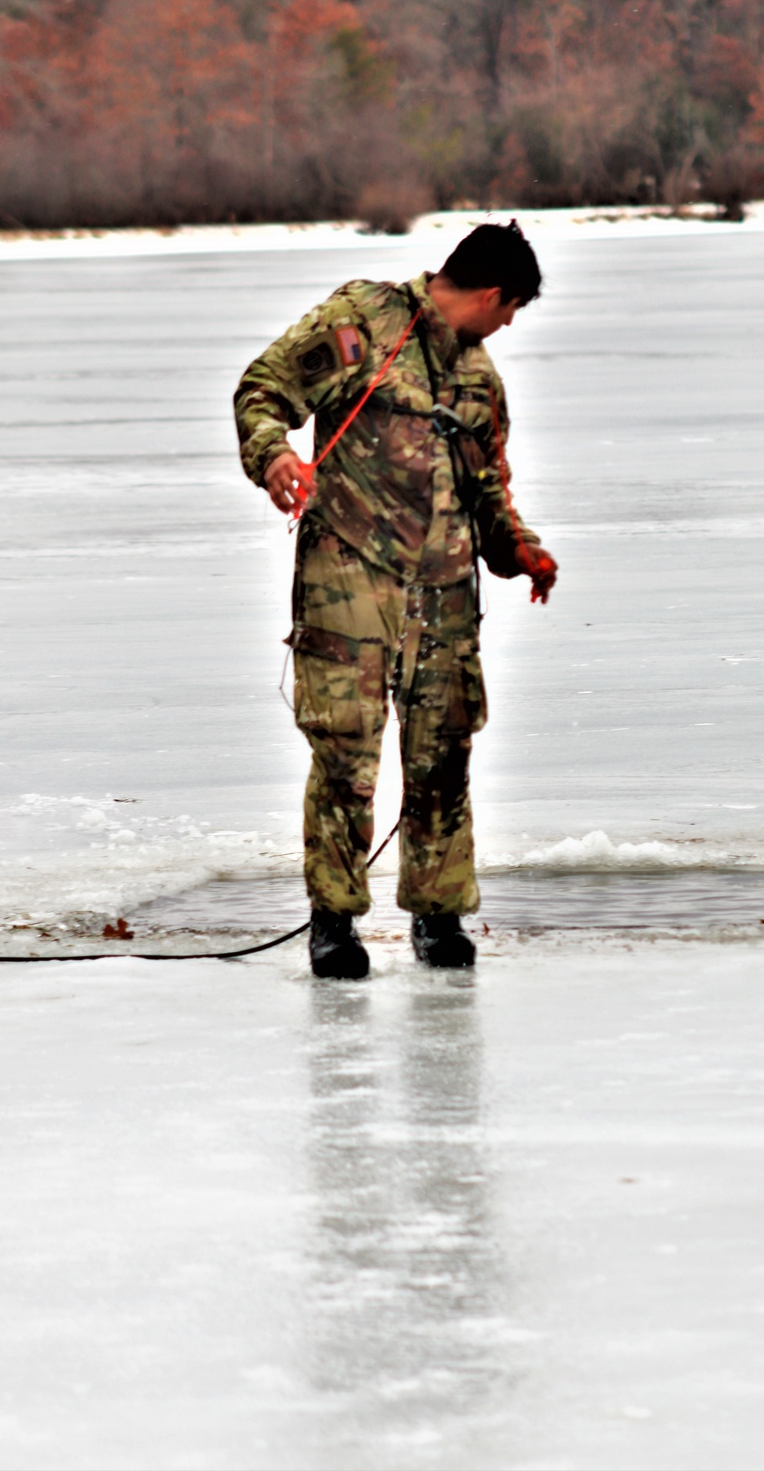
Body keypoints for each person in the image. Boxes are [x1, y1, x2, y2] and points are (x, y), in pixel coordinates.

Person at [234, 220, 557, 979]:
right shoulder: (362, 322)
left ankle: (439, 918)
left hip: (443, 595)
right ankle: (333, 924)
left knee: (443, 753)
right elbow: (264, 389)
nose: (508, 325)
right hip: (348, 577)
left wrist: (520, 551)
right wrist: (275, 453)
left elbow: (488, 490)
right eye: (511, 309)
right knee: (346, 753)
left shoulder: (479, 380)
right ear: (489, 293)